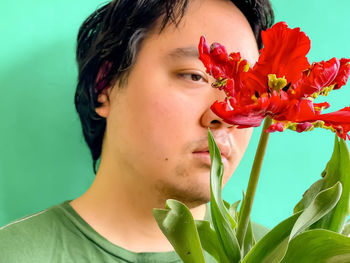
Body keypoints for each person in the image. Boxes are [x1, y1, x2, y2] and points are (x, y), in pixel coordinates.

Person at [0, 0, 274, 262]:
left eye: (250, 90)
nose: (228, 114)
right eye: (194, 76)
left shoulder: (285, 255)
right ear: (105, 86)